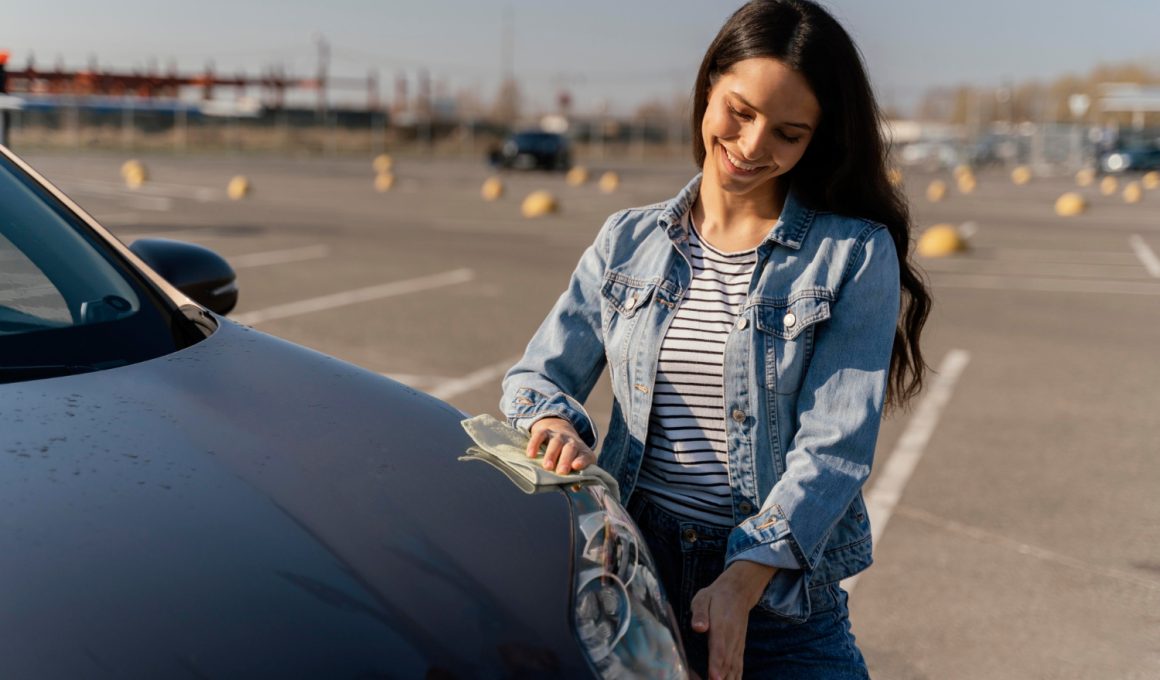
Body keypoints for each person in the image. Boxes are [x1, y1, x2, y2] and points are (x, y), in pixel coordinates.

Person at [500, 1, 931, 677]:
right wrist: (554, 420)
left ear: (816, 140)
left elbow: (835, 448)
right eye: (740, 111)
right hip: (634, 580)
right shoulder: (627, 241)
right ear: (708, 88)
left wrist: (744, 577)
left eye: (788, 133)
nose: (754, 146)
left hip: (779, 603)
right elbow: (535, 377)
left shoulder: (851, 255)